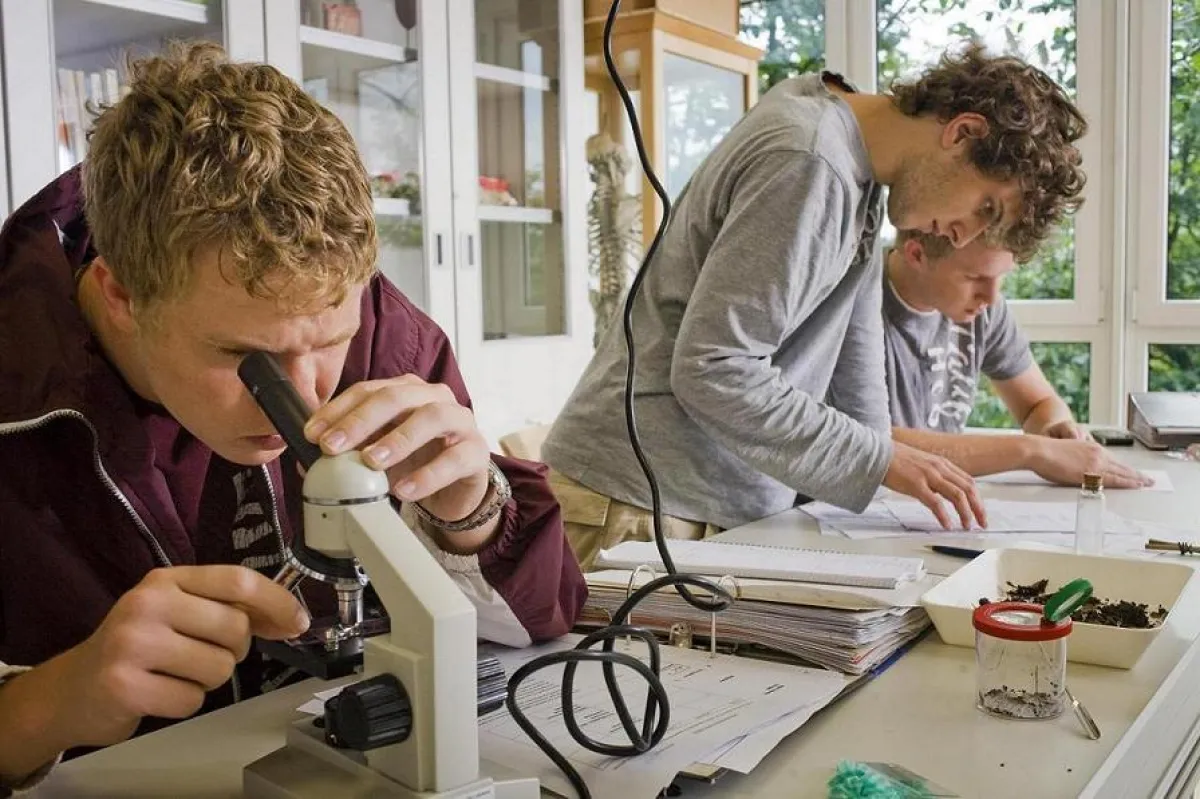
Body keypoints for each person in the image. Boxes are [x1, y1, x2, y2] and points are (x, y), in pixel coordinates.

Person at [0, 42, 586, 791]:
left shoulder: (385, 333)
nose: (306, 401)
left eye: (331, 342)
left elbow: (543, 620)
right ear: (119, 293)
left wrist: (472, 515)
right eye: (244, 355)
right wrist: (48, 702)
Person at [543, 43, 1088, 570]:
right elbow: (714, 367)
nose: (968, 236)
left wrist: (889, 474)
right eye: (984, 207)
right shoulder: (809, 161)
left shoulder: (863, 173)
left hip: (694, 506)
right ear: (962, 132)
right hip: (636, 507)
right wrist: (879, 461)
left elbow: (859, 384)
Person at [884, 229, 1151, 489]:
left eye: (1000, 276)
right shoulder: (859, 301)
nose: (990, 297)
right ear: (917, 255)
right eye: (973, 277)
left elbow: (1039, 404)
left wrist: (1056, 432)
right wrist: (1032, 451)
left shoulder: (984, 309)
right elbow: (869, 440)